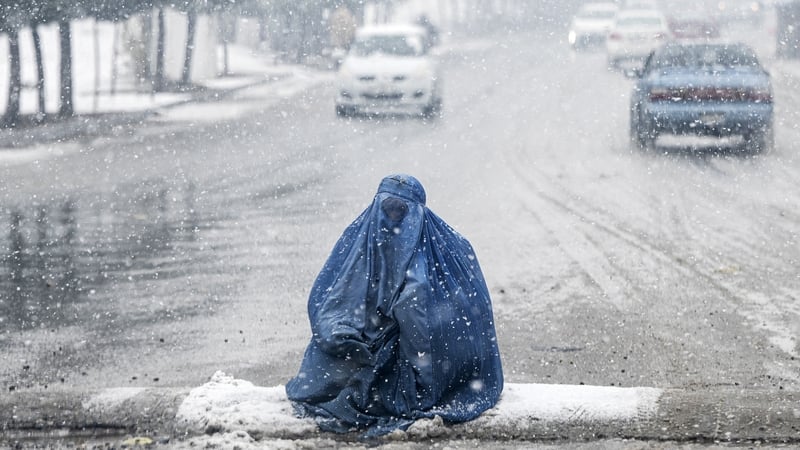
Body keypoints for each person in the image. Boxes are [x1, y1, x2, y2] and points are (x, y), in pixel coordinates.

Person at [286, 174, 503, 437]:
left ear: (418, 211)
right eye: (387, 209)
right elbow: (331, 299)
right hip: (374, 339)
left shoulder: (448, 250)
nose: (393, 217)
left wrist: (419, 375)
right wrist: (346, 335)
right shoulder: (358, 242)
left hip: (431, 353)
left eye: (401, 210)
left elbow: (432, 322)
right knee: (333, 365)